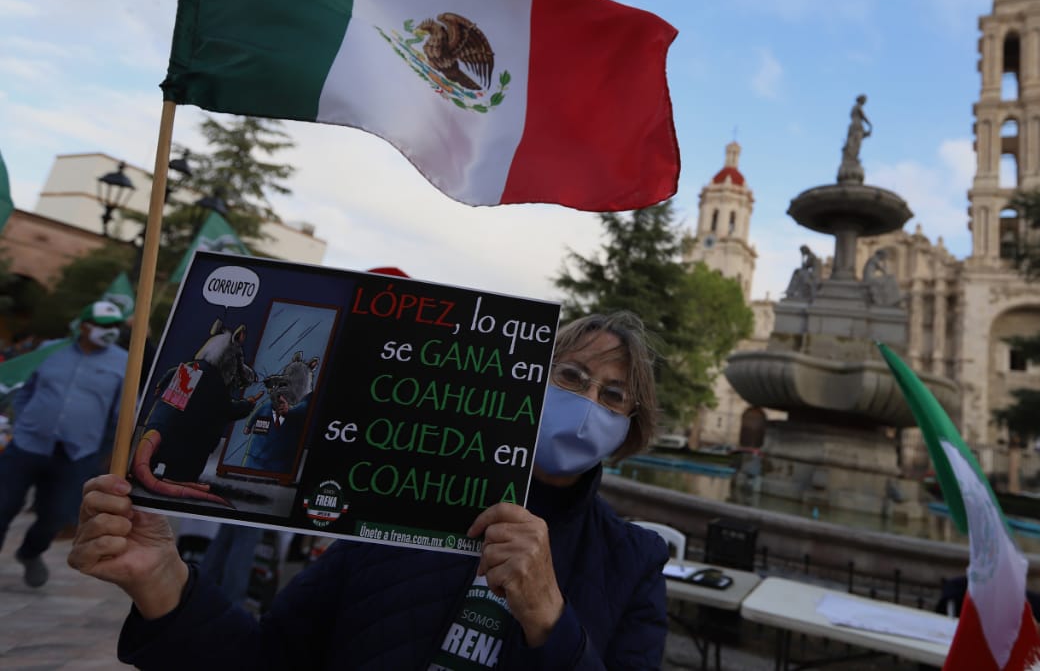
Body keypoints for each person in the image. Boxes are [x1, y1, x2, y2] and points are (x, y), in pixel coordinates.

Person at [69, 311, 668, 669]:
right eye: (570, 376)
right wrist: (165, 584)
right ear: (527, 381)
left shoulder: (633, 561)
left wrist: (550, 618)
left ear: (629, 427)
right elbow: (268, 659)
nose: (588, 404)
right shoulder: (397, 513)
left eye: (613, 395)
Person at [0, 300, 128, 587]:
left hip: (76, 454)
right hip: (27, 445)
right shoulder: (50, 350)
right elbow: (24, 389)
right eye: (104, 325)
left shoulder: (123, 363)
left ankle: (30, 553)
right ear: (84, 325)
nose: (110, 331)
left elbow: (121, 415)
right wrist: (21, 424)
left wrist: (106, 452)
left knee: (56, 517)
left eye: (115, 326)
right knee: (3, 504)